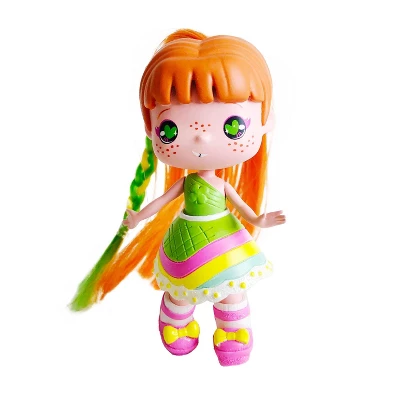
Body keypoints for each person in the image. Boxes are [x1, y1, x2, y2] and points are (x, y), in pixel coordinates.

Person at [70, 29, 286, 366]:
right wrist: (138, 217)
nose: (201, 139)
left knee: (232, 289)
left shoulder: (220, 186)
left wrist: (260, 220)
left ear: (265, 121)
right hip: (186, 237)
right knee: (179, 289)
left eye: (232, 126)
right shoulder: (187, 184)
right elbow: (162, 202)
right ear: (150, 128)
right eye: (169, 129)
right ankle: (176, 323)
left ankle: (232, 331)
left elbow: (242, 207)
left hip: (223, 238)